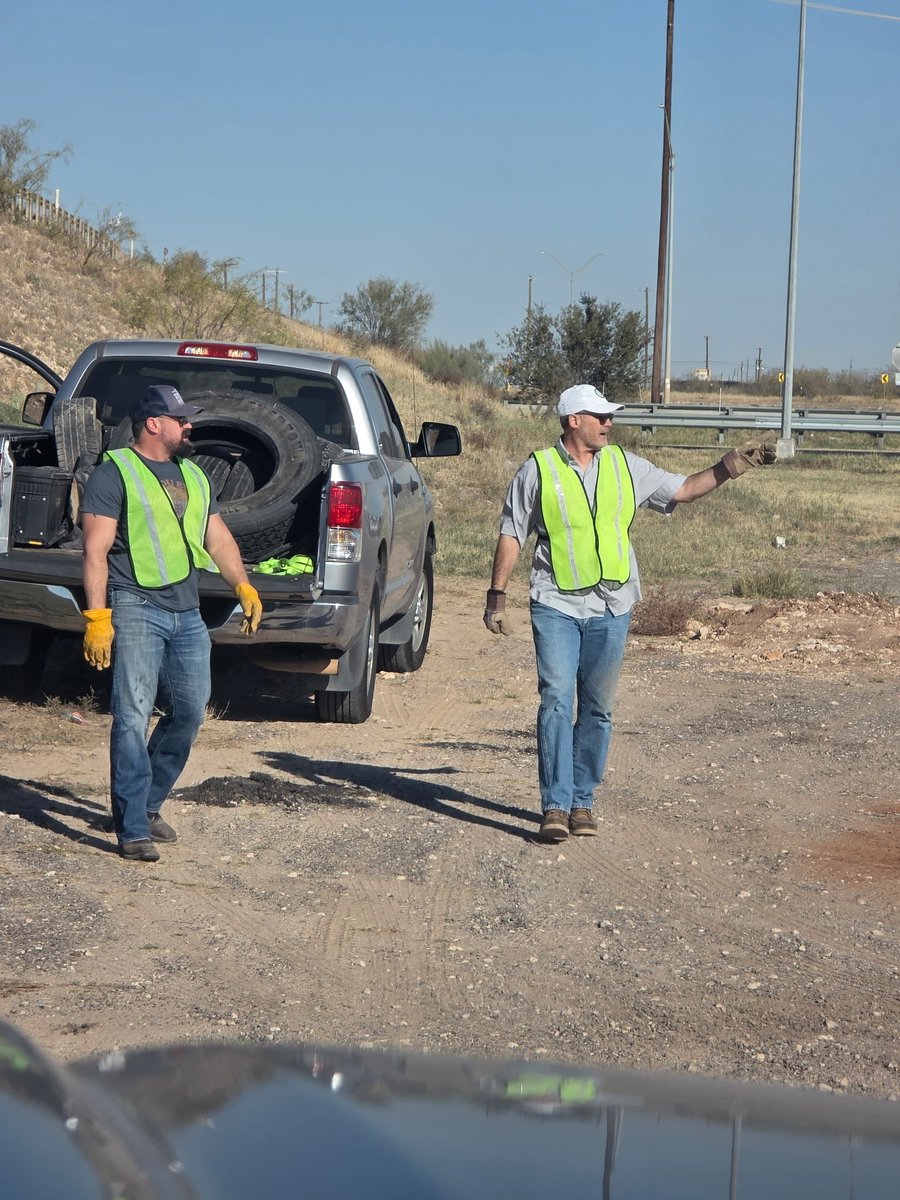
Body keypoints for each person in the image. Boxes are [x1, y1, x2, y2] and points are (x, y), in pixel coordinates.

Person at [484, 383, 776, 844]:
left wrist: (733, 465)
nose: (609, 423)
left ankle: (583, 802)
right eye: (600, 416)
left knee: (597, 709)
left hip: (612, 604)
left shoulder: (624, 465)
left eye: (609, 416)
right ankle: (555, 805)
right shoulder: (537, 470)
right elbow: (512, 532)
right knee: (557, 700)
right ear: (573, 420)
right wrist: (497, 594)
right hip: (556, 603)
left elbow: (682, 489)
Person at [80, 384, 263, 862]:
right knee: (132, 717)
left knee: (189, 713)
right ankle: (132, 828)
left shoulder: (195, 476)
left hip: (187, 612)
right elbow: (95, 551)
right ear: (153, 424)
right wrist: (98, 616)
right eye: (180, 419)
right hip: (136, 605)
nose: (189, 426)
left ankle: (148, 803)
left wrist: (242, 585)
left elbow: (217, 537)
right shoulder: (114, 472)